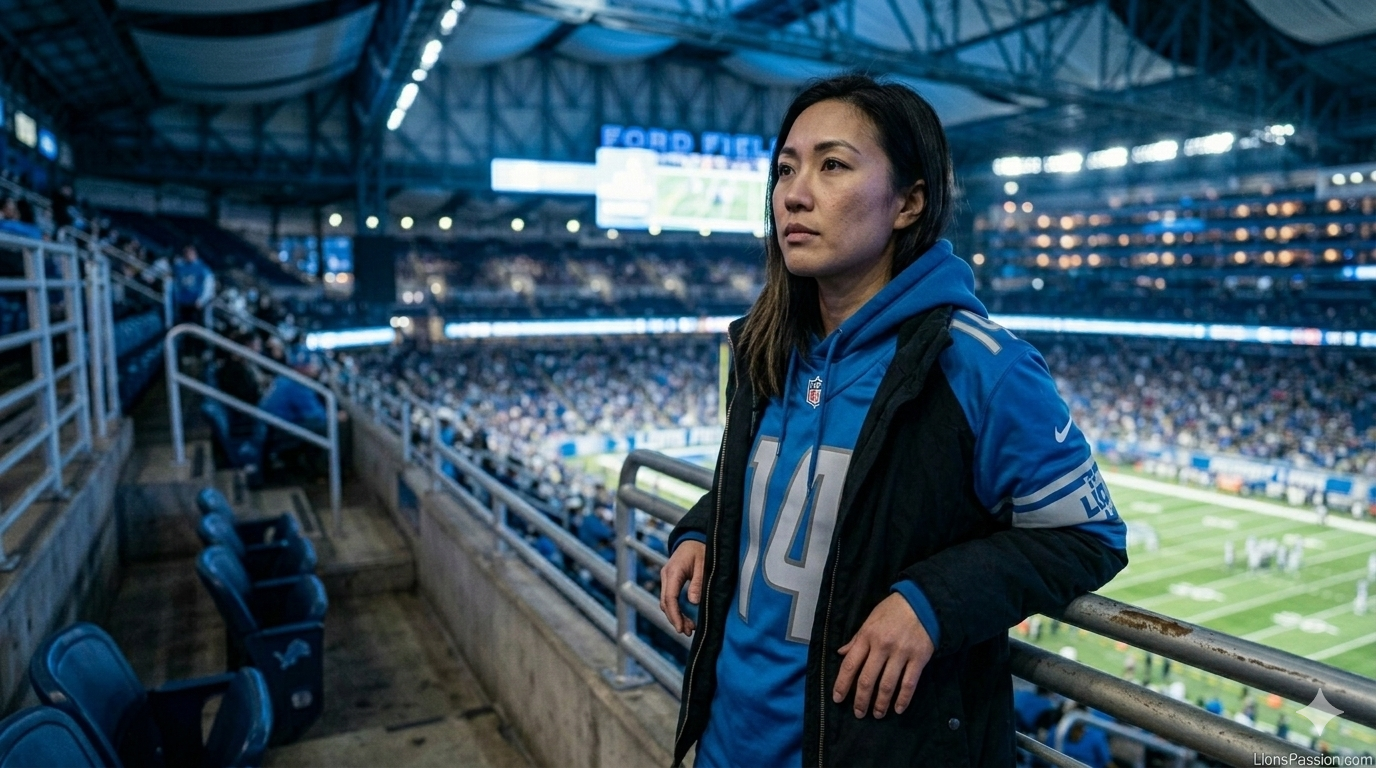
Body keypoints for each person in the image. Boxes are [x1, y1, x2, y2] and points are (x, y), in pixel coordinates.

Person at [657, 75, 1128, 767]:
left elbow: (1089, 535)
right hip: (728, 742)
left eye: (833, 165)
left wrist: (934, 602)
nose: (794, 191)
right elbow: (803, 490)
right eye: (786, 167)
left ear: (909, 202)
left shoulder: (980, 366)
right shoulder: (765, 344)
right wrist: (708, 524)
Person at [173, 244, 215, 325]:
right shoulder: (180, 266)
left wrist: (201, 300)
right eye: (186, 253)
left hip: (195, 304)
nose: (188, 255)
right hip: (182, 302)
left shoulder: (202, 268)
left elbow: (208, 285)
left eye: (190, 253)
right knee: (180, 323)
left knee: (193, 324)